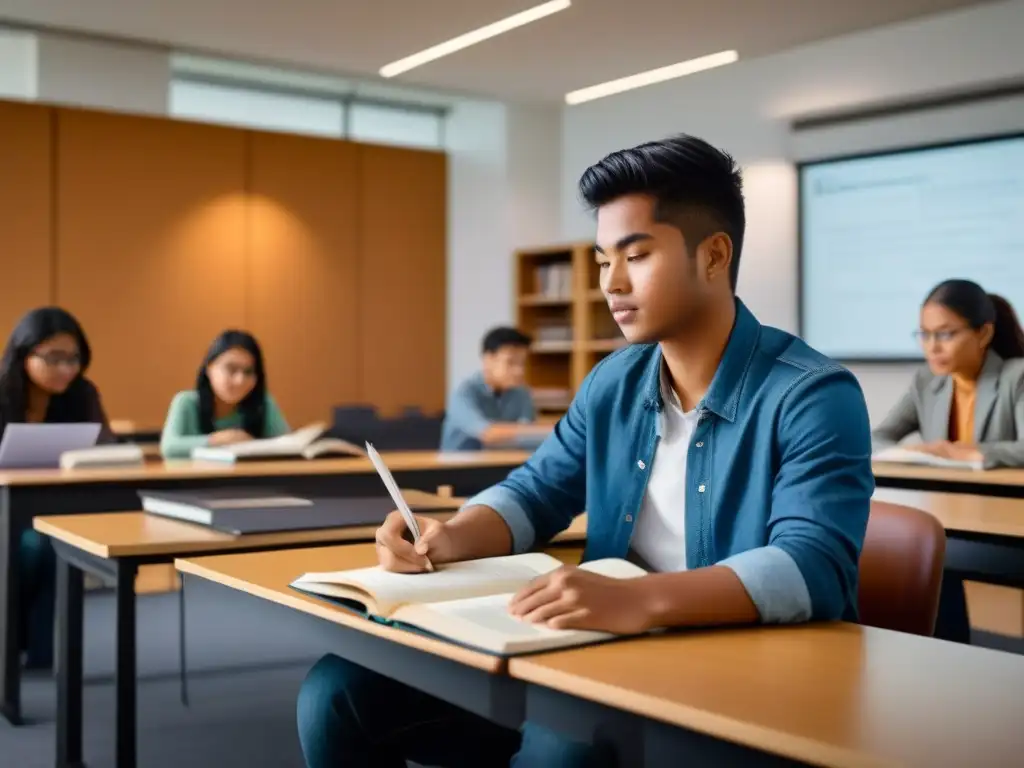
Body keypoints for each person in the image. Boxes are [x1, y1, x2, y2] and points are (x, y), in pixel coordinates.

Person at [295, 135, 874, 767]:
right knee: (334, 693)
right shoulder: (614, 381)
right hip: (591, 647)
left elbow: (811, 568)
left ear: (714, 256)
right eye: (603, 261)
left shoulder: (813, 394)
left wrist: (638, 599)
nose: (612, 283)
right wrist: (451, 536)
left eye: (637, 255)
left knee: (560, 748)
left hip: (724, 667)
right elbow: (537, 491)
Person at [872, 280, 1024, 643]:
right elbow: (878, 437)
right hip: (942, 515)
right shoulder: (927, 382)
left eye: (945, 334)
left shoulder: (1015, 375)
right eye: (924, 335)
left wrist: (976, 452)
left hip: (1004, 517)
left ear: (983, 333)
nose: (932, 347)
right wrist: (914, 452)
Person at [0, 307, 113, 670]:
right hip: (6, 510)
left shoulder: (82, 394)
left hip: (56, 508)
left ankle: (40, 653)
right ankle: (15, 644)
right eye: (54, 358)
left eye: (73, 358)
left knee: (51, 543)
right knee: (34, 546)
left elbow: (106, 448)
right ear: (24, 353)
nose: (66, 368)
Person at [160, 330, 290, 459]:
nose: (240, 380)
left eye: (249, 372)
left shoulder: (264, 403)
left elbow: (288, 445)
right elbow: (169, 447)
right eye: (231, 369)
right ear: (209, 368)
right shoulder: (186, 402)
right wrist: (217, 440)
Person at [440, 326, 551, 451]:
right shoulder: (463, 392)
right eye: (511, 362)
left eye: (522, 363)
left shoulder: (521, 393)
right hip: (458, 467)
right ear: (488, 359)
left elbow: (528, 435)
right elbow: (488, 433)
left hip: (504, 464)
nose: (519, 371)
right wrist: (554, 431)